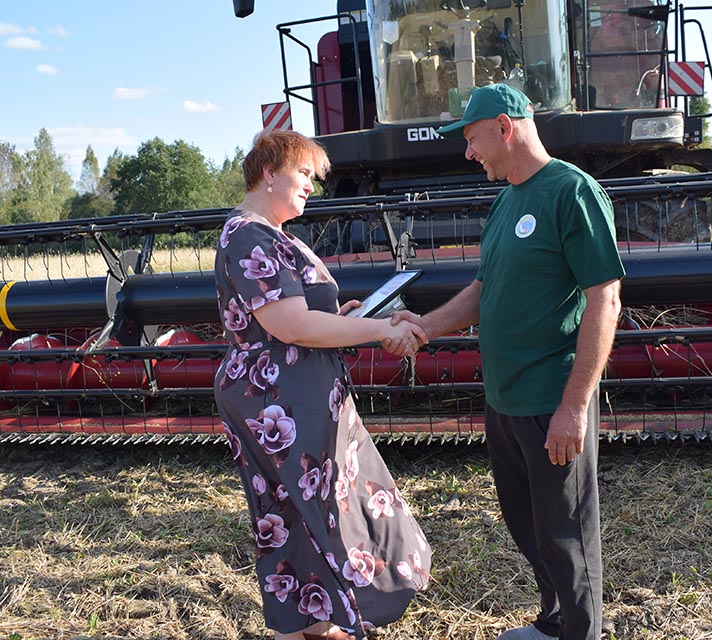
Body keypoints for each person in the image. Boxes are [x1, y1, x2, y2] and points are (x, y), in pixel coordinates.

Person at [392, 83, 624, 640]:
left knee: (566, 534)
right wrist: (423, 326)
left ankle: (581, 633)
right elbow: (483, 290)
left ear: (504, 127)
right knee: (528, 525)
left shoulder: (572, 192)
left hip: (551, 400)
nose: (468, 152)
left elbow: (605, 299)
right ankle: (554, 622)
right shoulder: (505, 203)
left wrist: (575, 406)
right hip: (505, 401)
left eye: (472, 138)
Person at [213, 129, 432, 640]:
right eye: (304, 173)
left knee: (303, 507)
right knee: (313, 507)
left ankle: (313, 618)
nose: (312, 185)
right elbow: (290, 326)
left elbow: (301, 317)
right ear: (269, 173)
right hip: (279, 402)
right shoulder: (248, 235)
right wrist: (377, 329)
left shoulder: (274, 234)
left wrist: (348, 316)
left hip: (296, 394)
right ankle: (300, 626)